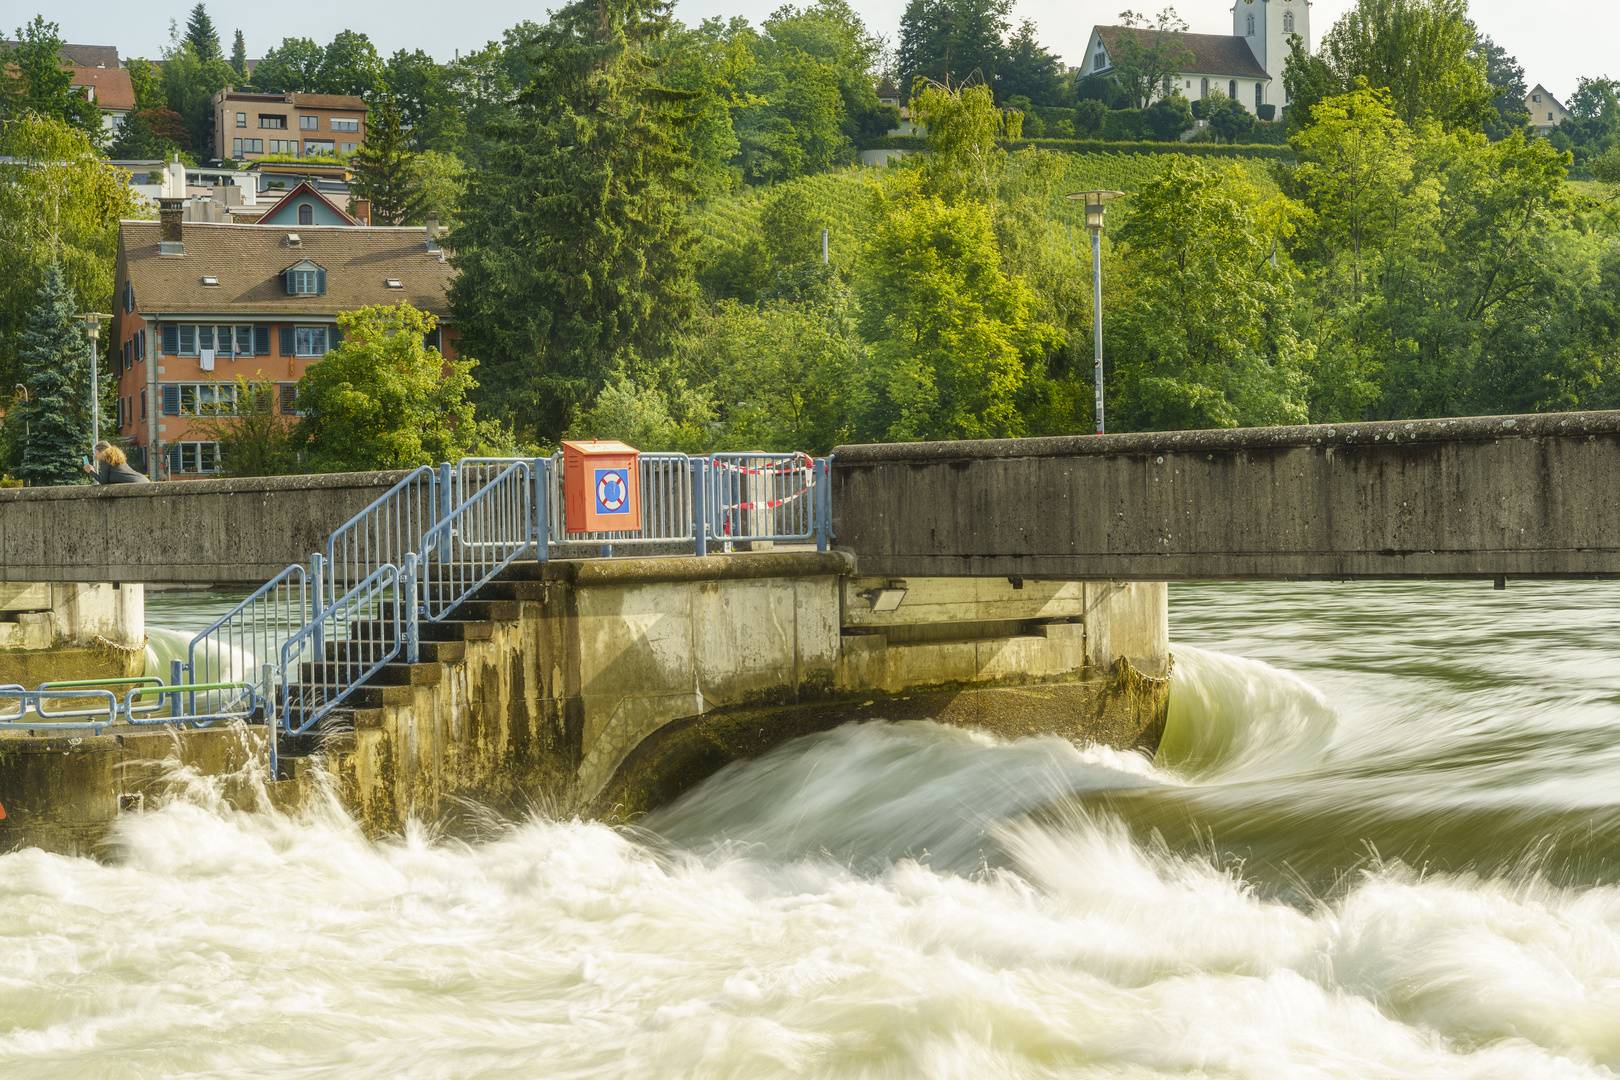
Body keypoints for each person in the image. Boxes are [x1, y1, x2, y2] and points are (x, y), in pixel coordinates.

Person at [83, 441, 149, 485]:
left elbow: (103, 481)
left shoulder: (104, 460)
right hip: (143, 480)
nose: (95, 456)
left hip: (135, 484)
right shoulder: (116, 459)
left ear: (101, 452)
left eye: (95, 453)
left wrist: (90, 471)